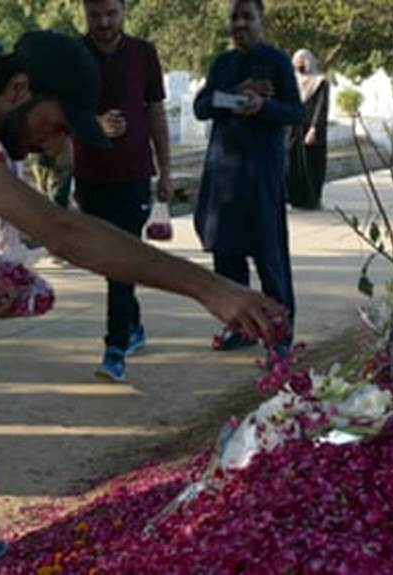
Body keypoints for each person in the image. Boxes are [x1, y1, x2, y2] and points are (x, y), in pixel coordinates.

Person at [0, 29, 284, 574]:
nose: (55, 148)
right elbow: (63, 231)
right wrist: (211, 288)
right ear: (18, 87)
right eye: (56, 127)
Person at [193, 0, 304, 352]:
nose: (240, 24)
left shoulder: (277, 63)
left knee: (270, 258)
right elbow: (201, 106)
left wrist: (264, 107)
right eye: (234, 17)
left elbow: (296, 112)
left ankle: (280, 336)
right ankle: (239, 327)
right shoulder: (223, 64)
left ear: (261, 20)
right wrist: (237, 95)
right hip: (224, 177)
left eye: (247, 17)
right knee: (227, 258)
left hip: (261, 177)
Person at [73, 0, 175, 381]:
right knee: (108, 261)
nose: (104, 22)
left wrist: (166, 170)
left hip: (133, 175)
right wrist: (93, 124)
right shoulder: (74, 55)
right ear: (85, 13)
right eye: (95, 15)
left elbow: (156, 112)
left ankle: (115, 348)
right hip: (90, 175)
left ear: (123, 11)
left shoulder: (143, 54)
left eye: (111, 13)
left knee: (119, 257)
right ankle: (132, 325)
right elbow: (59, 112)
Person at [285, 48, 329, 210]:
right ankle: (294, 198)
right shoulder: (291, 80)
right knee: (292, 163)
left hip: (311, 128)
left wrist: (314, 128)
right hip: (293, 128)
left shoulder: (320, 81)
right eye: (298, 60)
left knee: (313, 164)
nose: (301, 63)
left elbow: (321, 106)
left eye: (304, 60)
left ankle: (313, 199)